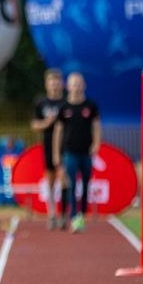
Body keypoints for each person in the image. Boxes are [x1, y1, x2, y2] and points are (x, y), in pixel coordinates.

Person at [53, 72, 101, 234]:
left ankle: (82, 214)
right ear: (68, 86)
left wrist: (96, 144)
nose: (77, 87)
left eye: (79, 84)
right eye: (74, 84)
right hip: (69, 152)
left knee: (86, 184)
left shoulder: (90, 106)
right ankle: (74, 217)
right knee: (72, 184)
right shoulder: (63, 108)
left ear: (84, 85)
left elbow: (96, 126)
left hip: (86, 152)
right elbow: (58, 132)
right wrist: (56, 154)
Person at [31, 69, 66, 229]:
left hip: (66, 145)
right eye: (51, 81)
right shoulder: (41, 102)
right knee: (50, 179)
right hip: (48, 144)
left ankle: (64, 214)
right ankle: (51, 213)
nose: (54, 84)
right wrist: (47, 122)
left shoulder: (66, 103)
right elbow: (34, 125)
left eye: (57, 81)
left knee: (64, 179)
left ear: (61, 84)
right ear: (46, 84)